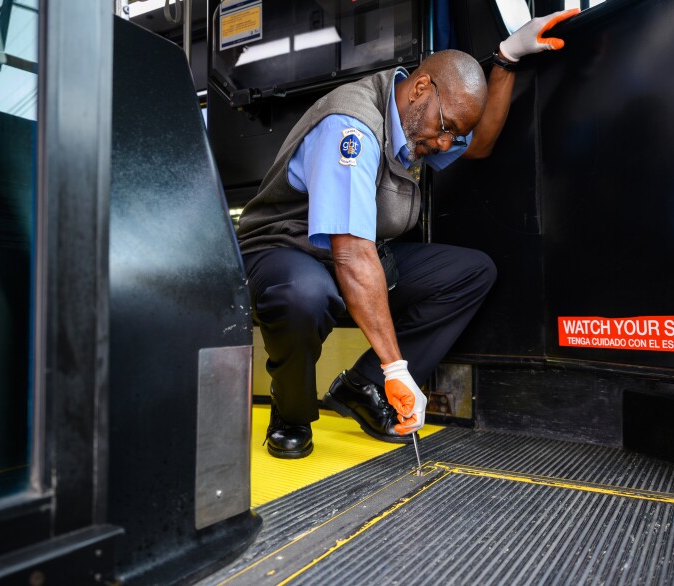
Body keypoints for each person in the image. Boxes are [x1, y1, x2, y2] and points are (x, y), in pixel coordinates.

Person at [237, 9, 580, 458]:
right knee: (305, 294)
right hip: (283, 250)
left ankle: (365, 388)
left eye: (449, 135)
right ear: (421, 88)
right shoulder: (353, 126)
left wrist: (507, 57)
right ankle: (291, 413)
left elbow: (480, 142)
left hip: (355, 255)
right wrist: (397, 365)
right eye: (445, 130)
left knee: (472, 273)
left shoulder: (422, 121)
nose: (443, 145)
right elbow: (351, 255)